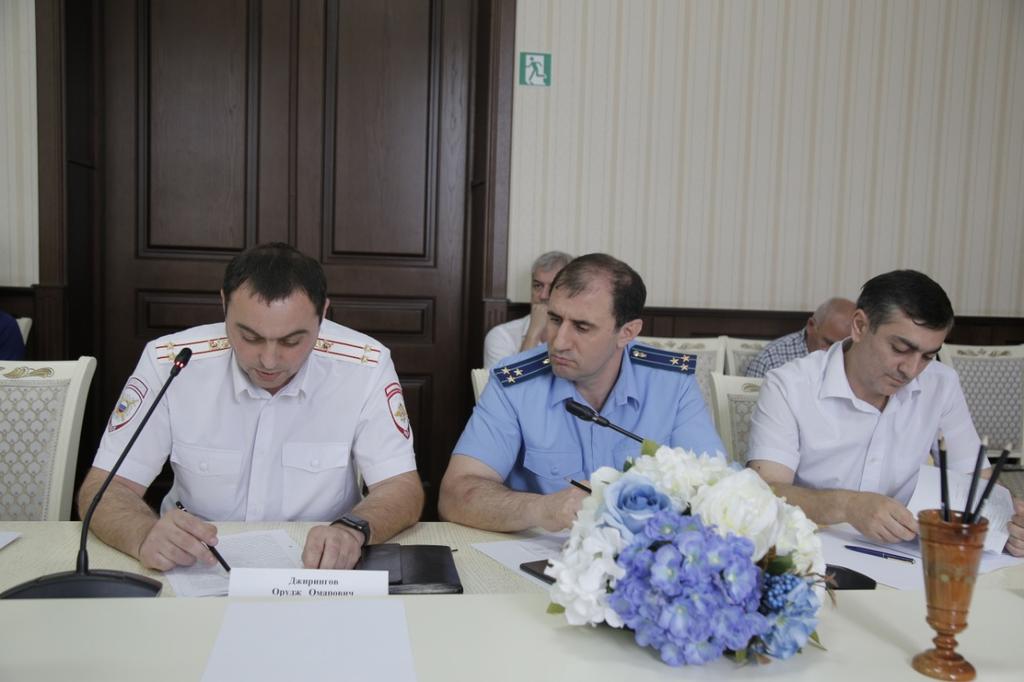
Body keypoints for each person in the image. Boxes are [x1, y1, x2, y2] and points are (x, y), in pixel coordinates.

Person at [78, 243, 424, 571]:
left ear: (323, 314)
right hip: (196, 562)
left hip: (318, 568)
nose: (269, 361)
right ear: (224, 304)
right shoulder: (172, 362)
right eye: (250, 337)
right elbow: (105, 489)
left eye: (291, 341)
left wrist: (352, 530)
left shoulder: (364, 366)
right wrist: (143, 534)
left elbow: (402, 488)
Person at [440, 253, 724, 532]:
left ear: (627, 332)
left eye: (582, 326)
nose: (559, 342)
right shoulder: (515, 384)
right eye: (555, 319)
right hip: (540, 551)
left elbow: (717, 488)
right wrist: (542, 509)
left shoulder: (672, 383)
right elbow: (455, 494)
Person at [746, 270, 1024, 556]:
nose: (911, 370)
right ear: (859, 326)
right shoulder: (789, 385)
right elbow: (767, 491)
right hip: (814, 551)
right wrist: (848, 505)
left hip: (908, 554)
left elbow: (977, 480)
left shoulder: (941, 383)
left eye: (928, 356)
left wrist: (1009, 520)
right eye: (900, 348)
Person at [483, 251, 572, 369]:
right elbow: (505, 381)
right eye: (538, 286)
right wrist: (532, 335)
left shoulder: (579, 336)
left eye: (553, 287)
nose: (543, 296)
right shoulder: (502, 336)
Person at [744, 297, 856, 378]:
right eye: (829, 343)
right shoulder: (771, 361)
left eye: (845, 347)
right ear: (811, 326)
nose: (836, 352)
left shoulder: (856, 359)